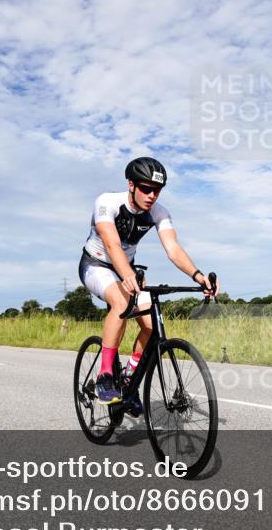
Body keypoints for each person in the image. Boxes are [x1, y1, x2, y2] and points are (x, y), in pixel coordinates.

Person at [78, 157, 218, 415]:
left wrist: (198, 276)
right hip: (96, 265)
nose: (152, 195)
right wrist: (126, 274)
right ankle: (106, 375)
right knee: (121, 301)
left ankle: (130, 378)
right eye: (146, 188)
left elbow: (173, 249)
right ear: (131, 185)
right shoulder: (107, 203)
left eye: (157, 190)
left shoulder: (159, 212)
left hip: (128, 269)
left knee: (152, 327)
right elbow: (111, 245)